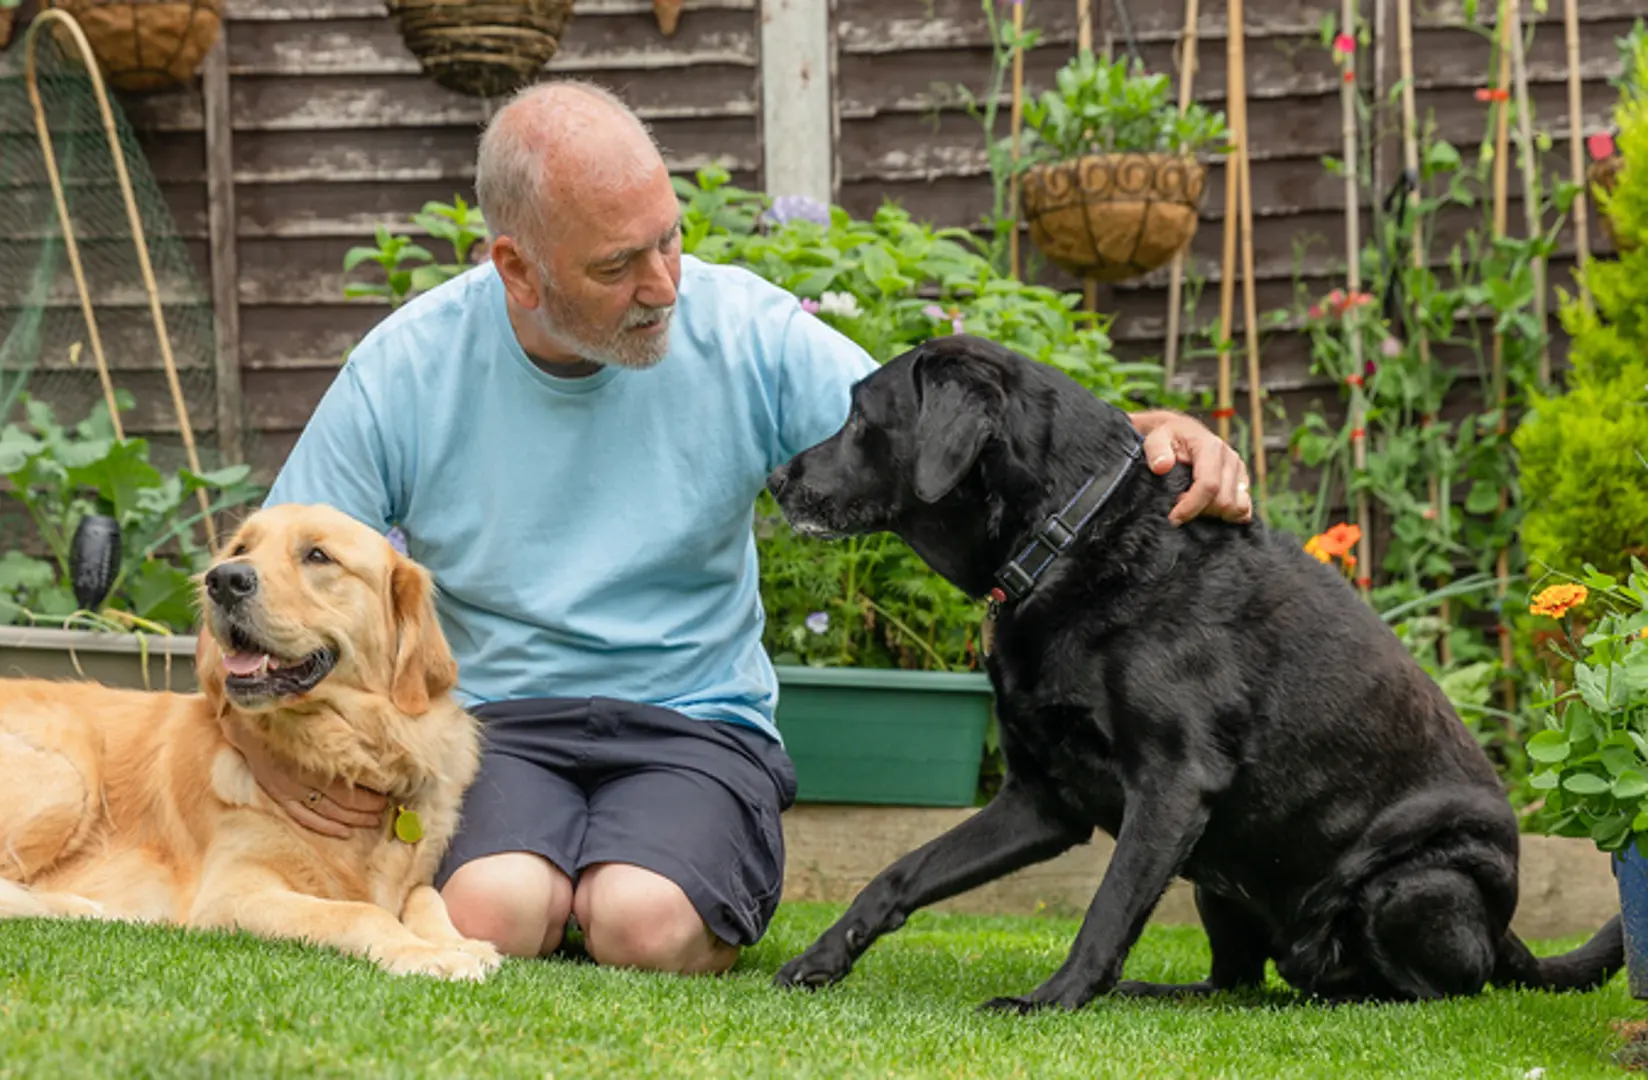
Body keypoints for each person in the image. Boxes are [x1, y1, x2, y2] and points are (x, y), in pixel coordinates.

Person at [210, 78, 1255, 977]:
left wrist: (1147, 437)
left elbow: (930, 449)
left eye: (668, 240)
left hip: (693, 722)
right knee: (494, 911)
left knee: (643, 922)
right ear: (517, 271)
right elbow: (273, 589)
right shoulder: (408, 367)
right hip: (500, 725)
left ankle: (646, 870)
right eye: (618, 265)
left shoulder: (743, 330)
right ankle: (571, 869)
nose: (663, 286)